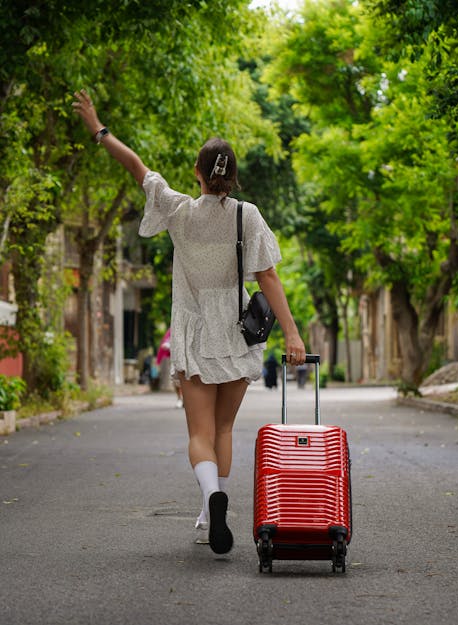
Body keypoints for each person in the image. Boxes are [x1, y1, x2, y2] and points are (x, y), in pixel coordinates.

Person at [72, 89, 306, 555]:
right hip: (238, 335)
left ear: (196, 173)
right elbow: (269, 275)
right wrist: (294, 334)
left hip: (196, 332)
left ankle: (210, 500)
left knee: (197, 434)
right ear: (233, 178)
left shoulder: (178, 210)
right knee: (222, 431)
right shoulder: (247, 216)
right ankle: (213, 504)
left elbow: (136, 166)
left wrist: (98, 128)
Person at [156, 328, 184, 407]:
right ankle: (179, 398)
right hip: (175, 359)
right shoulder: (172, 330)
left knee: (184, 381)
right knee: (176, 381)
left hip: (186, 359)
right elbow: (165, 343)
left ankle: (184, 399)